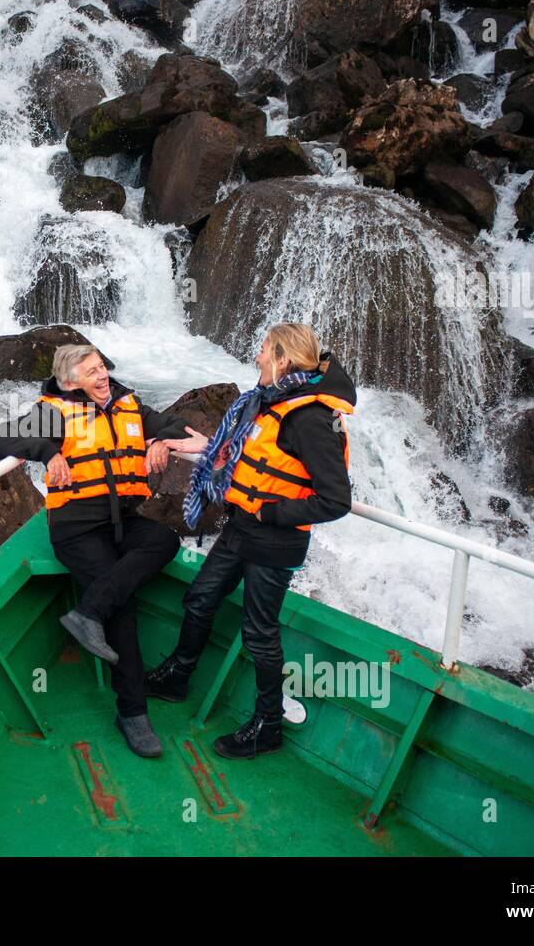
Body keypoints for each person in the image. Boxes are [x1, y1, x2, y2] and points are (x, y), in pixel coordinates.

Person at [146, 323, 356, 760]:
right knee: (200, 599)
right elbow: (244, 455)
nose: (256, 357)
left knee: (259, 634)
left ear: (282, 360)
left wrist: (271, 512)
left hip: (274, 541)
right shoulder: (269, 402)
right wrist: (212, 450)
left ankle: (267, 726)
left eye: (263, 350)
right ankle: (177, 677)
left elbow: (336, 500)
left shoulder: (310, 420)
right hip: (242, 526)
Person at [0, 343, 190, 758]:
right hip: (77, 528)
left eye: (102, 368)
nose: (102, 376)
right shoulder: (54, 412)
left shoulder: (127, 406)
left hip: (122, 522)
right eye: (91, 372)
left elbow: (179, 425)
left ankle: (88, 613)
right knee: (124, 607)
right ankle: (133, 713)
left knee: (164, 540)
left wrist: (162, 441)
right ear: (69, 382)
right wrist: (48, 450)